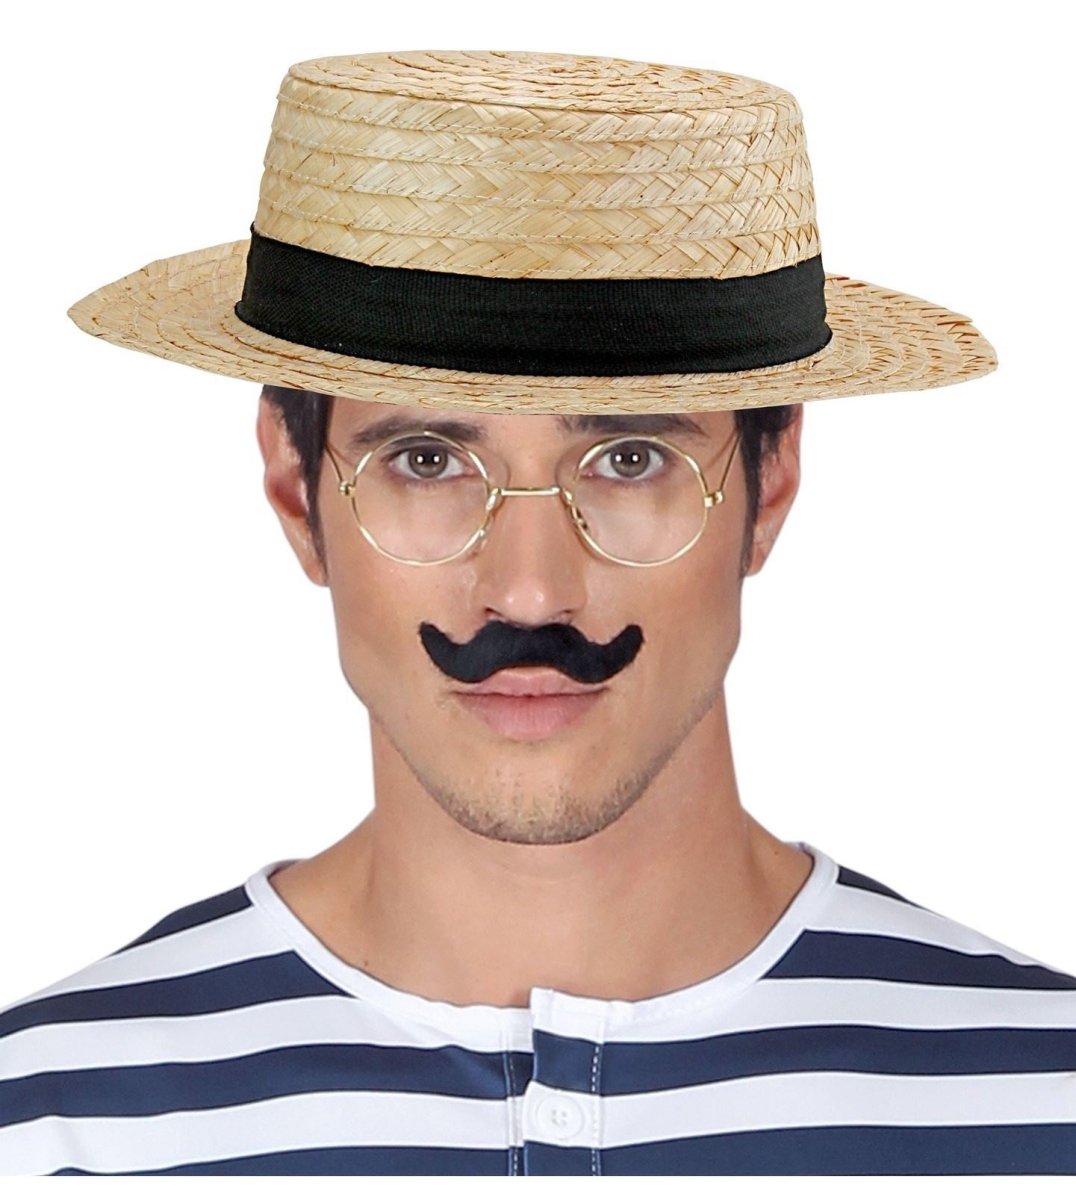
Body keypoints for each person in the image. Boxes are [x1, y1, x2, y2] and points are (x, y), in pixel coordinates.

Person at [1, 49, 1073, 1177]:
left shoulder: (1040, 1109)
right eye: (425, 458)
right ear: (294, 489)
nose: (526, 590)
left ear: (771, 483)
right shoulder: (52, 1131)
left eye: (629, 456)